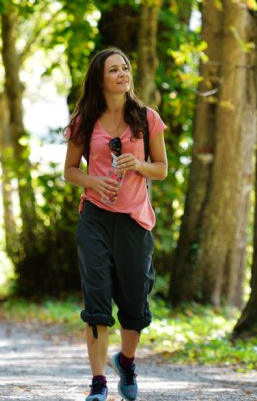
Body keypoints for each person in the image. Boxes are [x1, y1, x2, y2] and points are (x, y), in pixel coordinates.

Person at [63, 47, 168, 401]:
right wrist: (93, 182)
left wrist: (138, 165)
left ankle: (126, 361)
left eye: (125, 67)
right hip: (94, 218)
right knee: (96, 302)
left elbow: (162, 169)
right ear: (100, 79)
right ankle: (98, 384)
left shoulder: (146, 118)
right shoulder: (84, 121)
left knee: (135, 302)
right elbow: (70, 171)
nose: (123, 73)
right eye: (114, 69)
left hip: (134, 221)